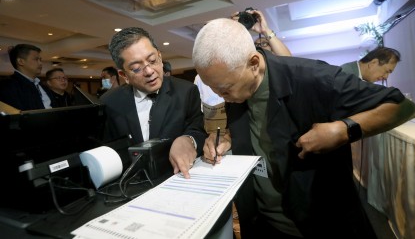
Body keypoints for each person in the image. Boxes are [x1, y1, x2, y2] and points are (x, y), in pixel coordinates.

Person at [192, 18, 415, 238]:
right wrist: (226, 137)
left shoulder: (312, 78)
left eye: (225, 89)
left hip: (316, 222)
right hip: (261, 221)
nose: (221, 97)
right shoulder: (234, 89)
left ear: (253, 63)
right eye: (214, 89)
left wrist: (342, 130)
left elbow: (403, 106)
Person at [101, 27, 207, 179]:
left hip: (176, 177)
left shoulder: (186, 91)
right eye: (137, 68)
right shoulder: (109, 102)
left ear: (159, 55)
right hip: (131, 185)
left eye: (152, 60)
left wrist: (188, 140)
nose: (149, 71)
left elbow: (198, 130)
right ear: (124, 75)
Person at [0, 44, 54, 110]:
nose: (40, 63)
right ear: (20, 61)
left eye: (40, 60)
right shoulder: (8, 86)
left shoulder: (43, 86)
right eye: (36, 59)